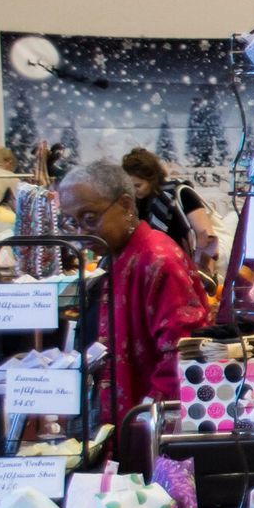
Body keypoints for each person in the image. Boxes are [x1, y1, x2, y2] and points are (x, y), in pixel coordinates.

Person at [56, 161, 210, 427]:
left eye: (90, 219)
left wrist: (144, 419)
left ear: (126, 206)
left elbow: (181, 352)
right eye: (72, 222)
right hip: (120, 421)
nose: (81, 233)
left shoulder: (158, 259)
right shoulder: (117, 253)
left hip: (145, 429)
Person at [120, 147, 213, 269]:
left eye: (138, 185)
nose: (133, 191)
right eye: (130, 186)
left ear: (152, 179)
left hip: (187, 270)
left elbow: (207, 237)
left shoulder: (181, 193)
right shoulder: (134, 206)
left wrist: (206, 274)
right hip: (153, 271)